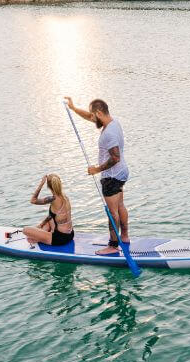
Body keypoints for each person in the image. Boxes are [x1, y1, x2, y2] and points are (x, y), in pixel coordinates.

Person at [64, 96, 130, 255]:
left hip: (111, 176)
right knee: (120, 206)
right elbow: (89, 116)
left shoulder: (109, 134)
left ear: (100, 113)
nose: (91, 118)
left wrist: (97, 169)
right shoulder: (114, 122)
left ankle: (113, 245)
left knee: (112, 212)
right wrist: (73, 108)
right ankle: (125, 237)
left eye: (93, 116)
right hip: (121, 173)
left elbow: (115, 158)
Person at [22, 174, 74, 248]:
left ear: (49, 186)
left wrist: (41, 184)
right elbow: (51, 216)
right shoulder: (65, 197)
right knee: (47, 222)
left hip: (60, 239)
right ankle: (42, 235)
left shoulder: (53, 199)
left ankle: (39, 238)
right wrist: (41, 224)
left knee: (25, 230)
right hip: (70, 234)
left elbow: (33, 200)